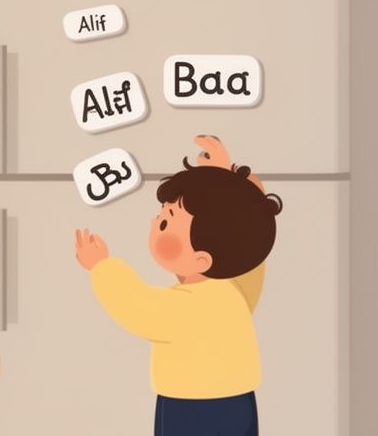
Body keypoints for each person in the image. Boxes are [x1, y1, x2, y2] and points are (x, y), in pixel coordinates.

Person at [74, 136, 282, 436]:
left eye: (164, 223)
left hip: (190, 407)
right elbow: (249, 239)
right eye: (160, 215)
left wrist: (101, 266)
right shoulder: (236, 289)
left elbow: (137, 307)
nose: (153, 222)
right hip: (240, 403)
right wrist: (227, 177)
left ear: (201, 259)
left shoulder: (188, 305)